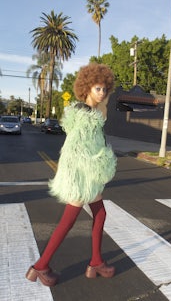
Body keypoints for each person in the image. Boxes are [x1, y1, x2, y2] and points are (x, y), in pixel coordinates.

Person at [26, 63, 117, 287]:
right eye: (98, 89)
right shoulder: (86, 117)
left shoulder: (88, 112)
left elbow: (90, 142)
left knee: (100, 213)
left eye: (105, 89)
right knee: (68, 221)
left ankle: (96, 262)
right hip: (82, 177)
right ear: (86, 88)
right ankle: (40, 267)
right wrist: (94, 169)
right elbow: (76, 150)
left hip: (86, 176)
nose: (102, 93)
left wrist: (102, 103)